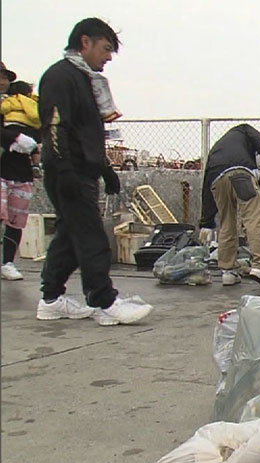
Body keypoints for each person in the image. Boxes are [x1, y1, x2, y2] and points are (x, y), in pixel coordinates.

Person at [35, 18, 153, 325]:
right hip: (67, 170)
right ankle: (103, 301)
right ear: (84, 42)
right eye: (105, 48)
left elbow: (87, 132)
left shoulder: (85, 80)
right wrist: (65, 172)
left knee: (70, 237)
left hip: (82, 169)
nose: (109, 57)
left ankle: (51, 298)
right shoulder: (61, 77)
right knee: (91, 237)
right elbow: (56, 127)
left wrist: (104, 170)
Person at [198, 124, 260, 289]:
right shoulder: (244, 129)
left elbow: (207, 185)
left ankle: (228, 271)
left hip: (217, 179)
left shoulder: (218, 148)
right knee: (255, 217)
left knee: (226, 221)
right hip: (240, 174)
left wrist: (206, 222)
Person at [1, 63, 41, 281]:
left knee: (16, 221)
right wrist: (14, 139)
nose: (1, 81)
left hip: (21, 172)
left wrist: (34, 150)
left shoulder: (20, 106)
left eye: (5, 78)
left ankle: (7, 263)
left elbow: (38, 136)